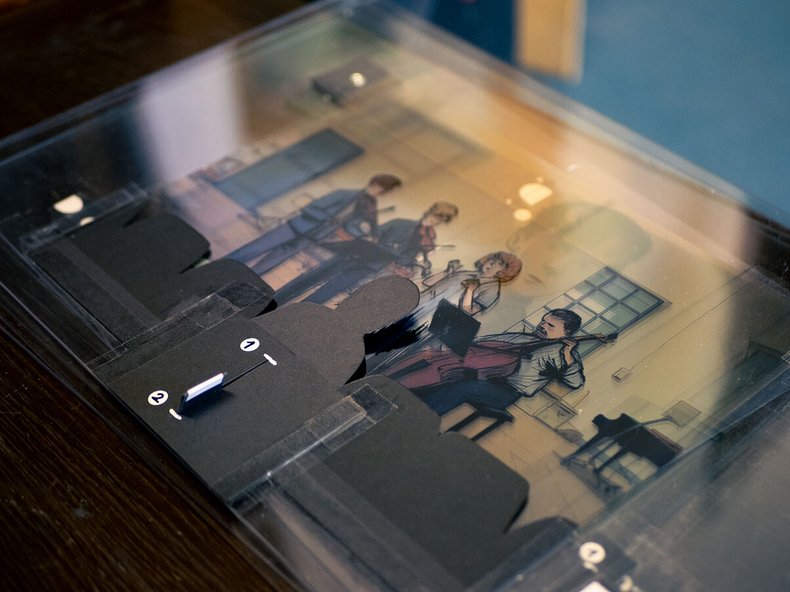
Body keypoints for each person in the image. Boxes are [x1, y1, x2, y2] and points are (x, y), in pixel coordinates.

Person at [411, 308, 585, 416]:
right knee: (444, 377)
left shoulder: (561, 353)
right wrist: (445, 350)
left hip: (505, 391)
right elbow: (481, 342)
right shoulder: (521, 337)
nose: (542, 326)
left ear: (566, 333)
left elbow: (576, 382)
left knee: (461, 387)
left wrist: (567, 355)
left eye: (550, 326)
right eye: (543, 321)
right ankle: (410, 405)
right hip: (480, 375)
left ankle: (421, 418)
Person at [225, 173, 402, 275]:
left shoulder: (366, 205)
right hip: (297, 227)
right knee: (255, 248)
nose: (384, 193)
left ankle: (243, 281)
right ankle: (221, 268)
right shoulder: (345, 193)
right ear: (377, 185)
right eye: (385, 189)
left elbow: (352, 224)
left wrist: (364, 235)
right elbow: (311, 207)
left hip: (314, 236)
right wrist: (326, 219)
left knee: (272, 261)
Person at [422, 251, 522, 316]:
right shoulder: (469, 273)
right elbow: (427, 283)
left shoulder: (492, 290)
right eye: (493, 259)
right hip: (420, 303)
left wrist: (470, 291)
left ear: (506, 271)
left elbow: (467, 313)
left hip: (431, 315)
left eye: (499, 264)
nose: (492, 263)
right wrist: (447, 272)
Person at [378, 201, 459, 278]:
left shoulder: (429, 234)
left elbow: (413, 255)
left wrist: (419, 262)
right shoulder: (399, 224)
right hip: (380, 266)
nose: (436, 221)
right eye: (435, 217)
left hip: (399, 268)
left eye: (440, 220)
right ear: (429, 213)